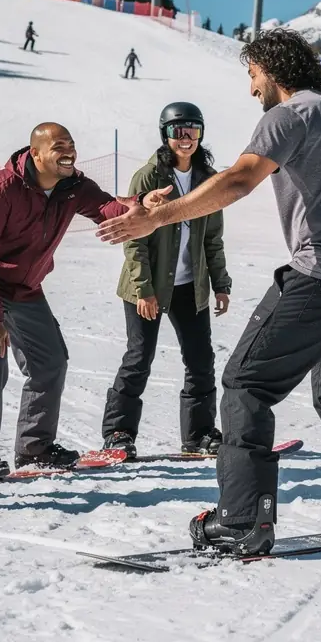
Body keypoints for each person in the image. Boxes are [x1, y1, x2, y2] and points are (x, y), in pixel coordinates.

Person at [97, 28, 321, 555]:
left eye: (253, 75)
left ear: (272, 70)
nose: (251, 88)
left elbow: (239, 180)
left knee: (245, 385)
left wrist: (158, 219)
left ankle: (243, 520)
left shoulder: (290, 115)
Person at [0, 123, 169, 481]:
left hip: (23, 284)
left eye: (72, 144)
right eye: (59, 146)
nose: (69, 152)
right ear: (35, 153)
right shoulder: (0, 189)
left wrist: (139, 205)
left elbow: (107, 207)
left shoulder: (73, 187)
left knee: (50, 362)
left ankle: (34, 447)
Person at [102, 102, 233, 459]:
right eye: (178, 131)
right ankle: (118, 433)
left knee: (200, 359)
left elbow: (212, 238)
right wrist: (144, 291)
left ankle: (200, 433)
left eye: (193, 130)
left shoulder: (209, 180)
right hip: (148, 287)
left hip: (191, 286)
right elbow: (134, 241)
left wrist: (220, 283)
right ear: (166, 135)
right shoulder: (149, 178)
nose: (186, 138)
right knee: (139, 357)